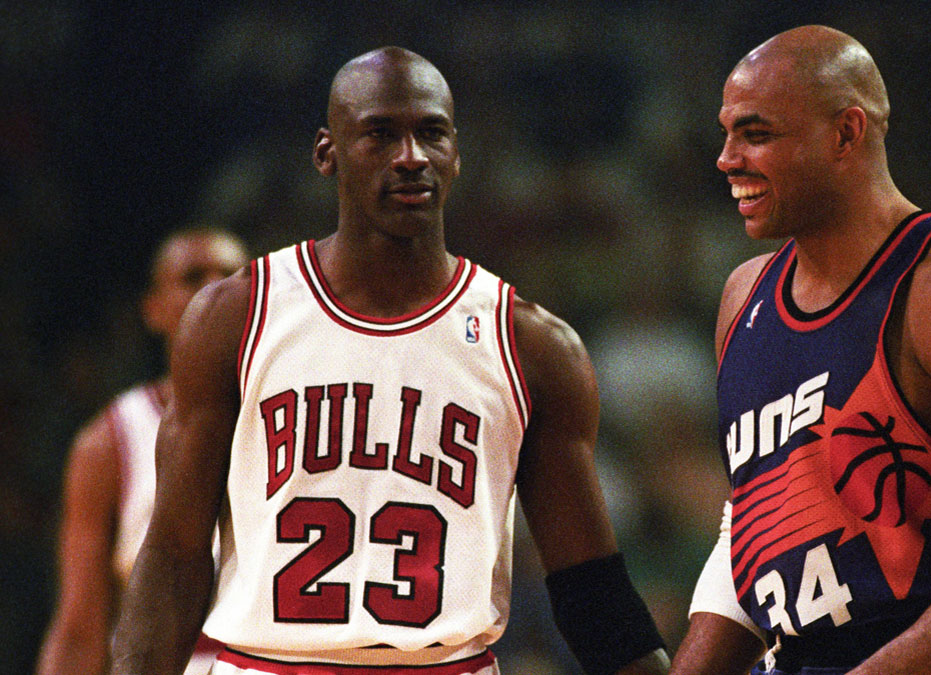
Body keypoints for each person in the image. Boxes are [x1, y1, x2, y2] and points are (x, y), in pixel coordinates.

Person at [108, 47, 670, 675]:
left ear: (456, 153)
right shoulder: (234, 316)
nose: (411, 157)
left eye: (431, 133)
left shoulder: (533, 346)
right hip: (267, 662)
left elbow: (590, 590)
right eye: (380, 133)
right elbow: (174, 556)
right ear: (327, 153)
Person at [669, 26, 931, 675]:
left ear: (847, 132)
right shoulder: (743, 295)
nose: (726, 158)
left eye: (755, 134)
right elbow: (752, 532)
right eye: (726, 133)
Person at [37, 227, 251, 675]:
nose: (213, 287)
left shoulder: (296, 411)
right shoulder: (108, 439)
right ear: (152, 310)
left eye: (230, 275)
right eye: (192, 277)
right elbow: (80, 629)